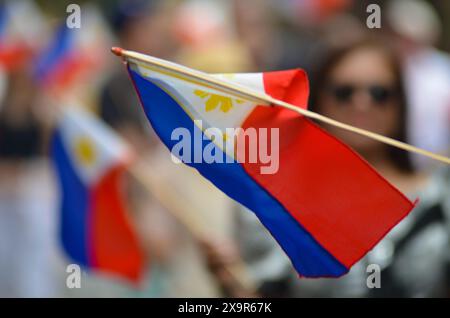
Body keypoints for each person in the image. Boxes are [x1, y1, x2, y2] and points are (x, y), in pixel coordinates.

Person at [201, 36, 450, 297]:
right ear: (319, 100)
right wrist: (231, 285)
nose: (361, 103)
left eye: (379, 94)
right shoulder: (276, 202)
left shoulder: (439, 197)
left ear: (400, 104)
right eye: (344, 92)